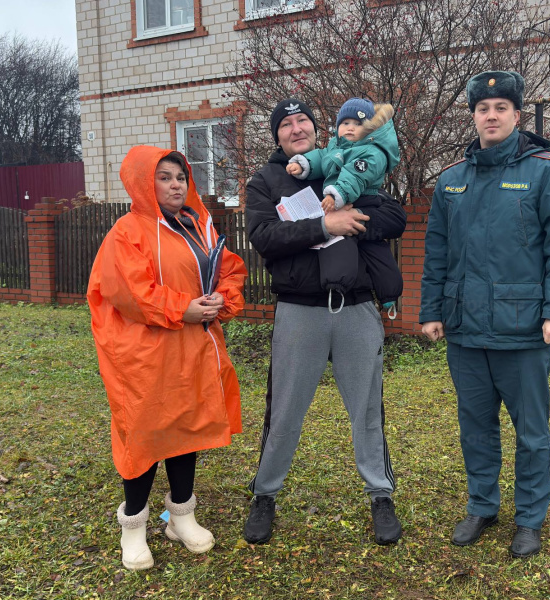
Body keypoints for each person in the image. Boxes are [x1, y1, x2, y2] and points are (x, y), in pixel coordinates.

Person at [419, 71, 550, 558]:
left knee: (531, 432)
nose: (490, 116)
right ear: (473, 116)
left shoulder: (547, 171)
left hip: (523, 330)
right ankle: (482, 506)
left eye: (500, 108)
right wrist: (431, 311)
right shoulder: (451, 180)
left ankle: (529, 518)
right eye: (482, 109)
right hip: (465, 330)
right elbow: (436, 252)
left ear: (516, 115)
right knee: (475, 426)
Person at [244, 98, 407, 545]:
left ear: (318, 129)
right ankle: (264, 495)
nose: (296, 128)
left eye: (304, 120)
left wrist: (353, 219)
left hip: (357, 308)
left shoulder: (344, 159)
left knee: (367, 409)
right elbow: (264, 237)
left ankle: (380, 495)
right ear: (277, 135)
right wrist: (324, 225)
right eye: (286, 123)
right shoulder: (266, 181)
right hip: (300, 311)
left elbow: (394, 216)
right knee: (284, 411)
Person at [87, 146, 247, 570]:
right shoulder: (127, 232)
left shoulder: (198, 226)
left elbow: (229, 269)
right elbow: (128, 291)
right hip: (145, 355)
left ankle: (181, 516)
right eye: (164, 177)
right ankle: (133, 527)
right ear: (144, 182)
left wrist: (222, 298)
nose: (176, 185)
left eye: (180, 177)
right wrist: (182, 309)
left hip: (193, 349)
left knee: (185, 429)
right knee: (143, 435)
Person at [286, 98, 404, 315]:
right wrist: (303, 164)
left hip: (363, 199)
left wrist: (336, 195)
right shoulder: (335, 147)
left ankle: (389, 295)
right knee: (340, 243)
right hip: (341, 200)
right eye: (345, 123)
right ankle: (337, 286)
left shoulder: (371, 151)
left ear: (369, 129)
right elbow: (320, 158)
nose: (350, 128)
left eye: (358, 124)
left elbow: (355, 175)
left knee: (376, 250)